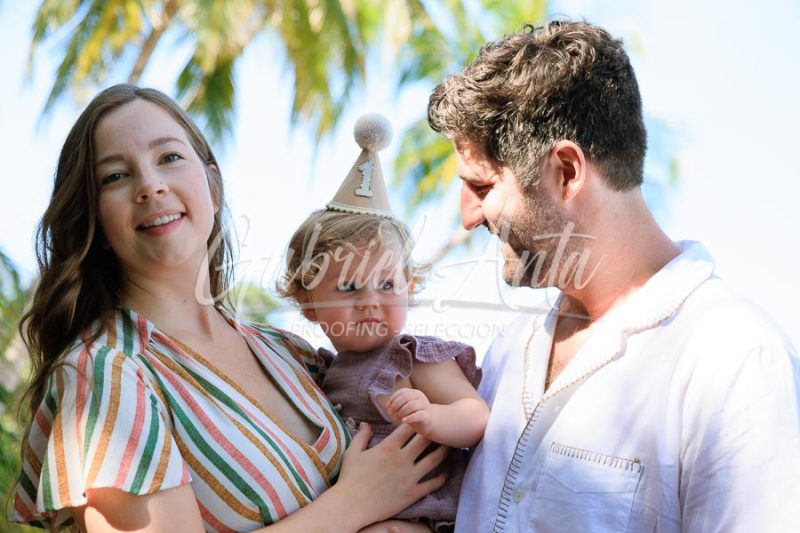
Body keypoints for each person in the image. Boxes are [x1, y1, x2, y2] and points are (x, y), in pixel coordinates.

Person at [11, 84, 448, 532]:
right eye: (115, 177)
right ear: (96, 220)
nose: (151, 186)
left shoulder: (290, 353)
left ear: (213, 188)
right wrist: (355, 502)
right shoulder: (107, 373)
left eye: (169, 158)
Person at [426, 20, 800, 532]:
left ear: (566, 172)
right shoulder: (508, 352)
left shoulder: (733, 361)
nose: (468, 217)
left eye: (483, 187)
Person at [278, 114, 490, 533]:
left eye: (387, 284)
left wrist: (432, 417)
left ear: (409, 286)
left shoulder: (413, 357)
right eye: (349, 287)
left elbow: (476, 415)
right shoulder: (319, 371)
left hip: (424, 513)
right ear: (307, 303)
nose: (370, 302)